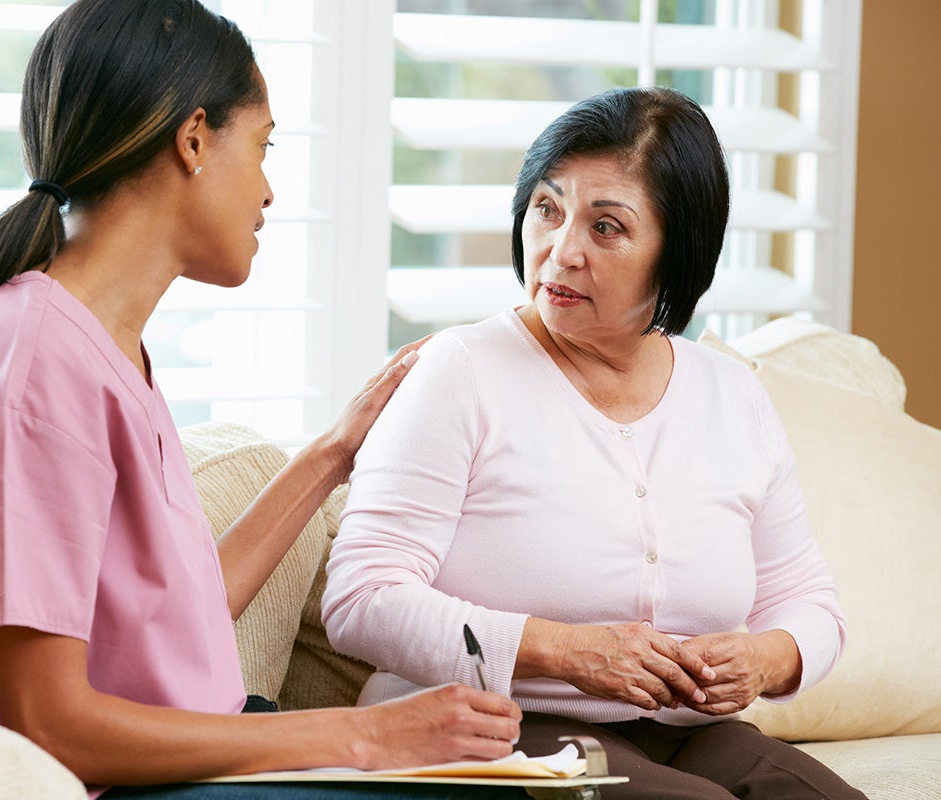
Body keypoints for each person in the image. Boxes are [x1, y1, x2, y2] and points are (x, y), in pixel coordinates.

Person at [0, 1, 530, 798]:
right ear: (195, 138)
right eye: (264, 147)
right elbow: (50, 725)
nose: (270, 191)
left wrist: (332, 455)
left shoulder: (98, 351)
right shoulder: (26, 373)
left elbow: (176, 617)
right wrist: (363, 735)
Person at [320, 87, 867, 800]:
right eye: (548, 210)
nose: (561, 252)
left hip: (686, 728)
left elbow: (808, 600)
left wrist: (765, 659)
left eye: (606, 227)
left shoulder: (733, 396)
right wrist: (568, 652)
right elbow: (360, 599)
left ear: (678, 251)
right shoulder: (461, 371)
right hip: (489, 723)